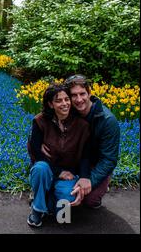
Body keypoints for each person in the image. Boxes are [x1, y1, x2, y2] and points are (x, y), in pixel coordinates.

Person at [42, 75, 120, 208]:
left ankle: (98, 188)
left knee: (89, 200)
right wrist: (39, 142)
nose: (79, 100)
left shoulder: (107, 121)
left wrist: (89, 180)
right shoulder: (68, 108)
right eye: (73, 95)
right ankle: (47, 190)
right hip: (71, 160)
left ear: (89, 93)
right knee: (68, 192)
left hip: (95, 165)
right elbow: (43, 119)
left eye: (82, 94)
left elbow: (109, 159)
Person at [27, 83, 91, 227]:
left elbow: (86, 155)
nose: (64, 104)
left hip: (70, 174)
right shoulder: (39, 121)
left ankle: (45, 198)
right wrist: (58, 171)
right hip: (48, 171)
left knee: (63, 217)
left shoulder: (82, 125)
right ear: (50, 104)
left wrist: (84, 176)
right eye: (58, 100)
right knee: (39, 168)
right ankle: (37, 210)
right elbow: (36, 152)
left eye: (67, 99)